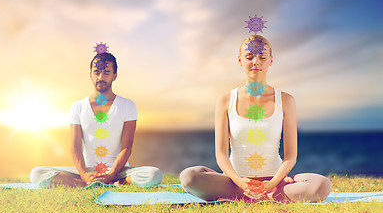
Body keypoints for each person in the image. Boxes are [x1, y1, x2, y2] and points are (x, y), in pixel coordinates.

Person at [180, 35, 331, 203]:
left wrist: (273, 183)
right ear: (240, 60)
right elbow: (221, 153)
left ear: (271, 60)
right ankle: (257, 196)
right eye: (249, 57)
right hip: (235, 181)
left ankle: (257, 195)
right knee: (189, 177)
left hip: (274, 181)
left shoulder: (287, 100)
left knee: (321, 185)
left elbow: (291, 156)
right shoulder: (226, 100)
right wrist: (239, 181)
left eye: (262, 57)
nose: (256, 62)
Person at [30, 51, 163, 188]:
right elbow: (75, 146)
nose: (100, 77)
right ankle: (84, 183)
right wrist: (84, 174)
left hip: (118, 171)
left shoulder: (127, 105)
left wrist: (111, 174)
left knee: (154, 174)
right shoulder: (78, 106)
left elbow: (127, 147)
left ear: (114, 76)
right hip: (87, 171)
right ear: (90, 75)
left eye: (106, 72)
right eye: (96, 72)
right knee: (37, 173)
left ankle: (117, 182)